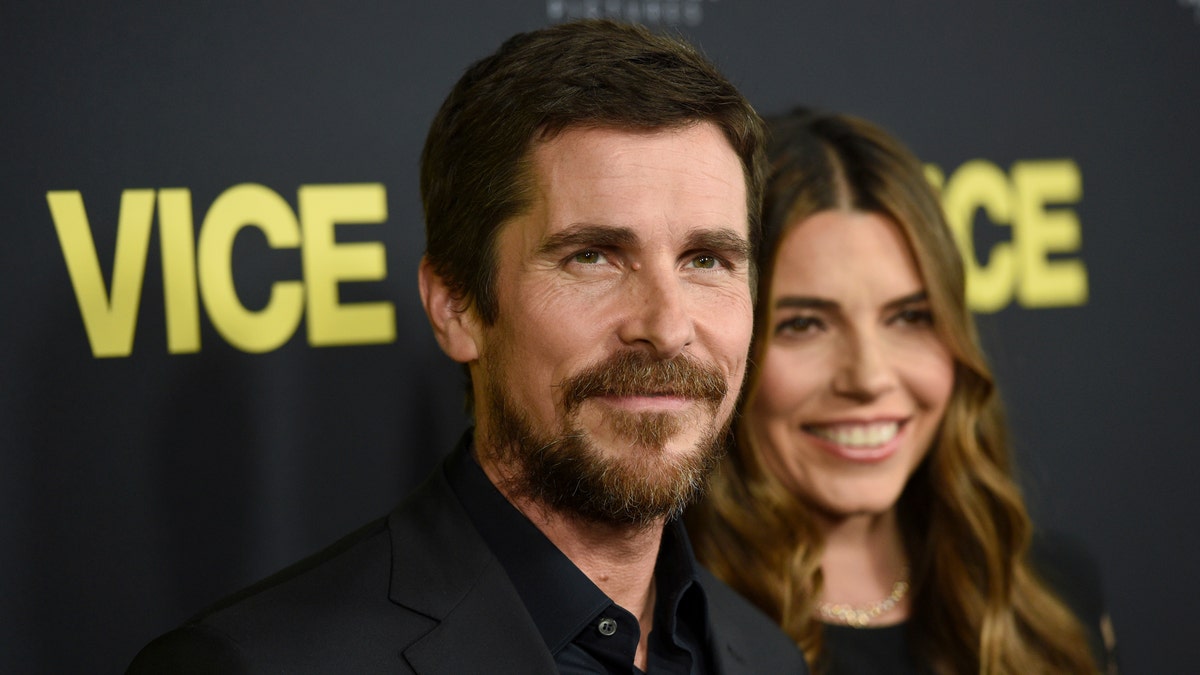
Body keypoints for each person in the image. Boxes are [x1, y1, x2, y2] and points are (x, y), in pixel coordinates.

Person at [126, 19, 808, 674]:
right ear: (456, 306)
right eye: (593, 256)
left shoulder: (767, 656)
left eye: (708, 260)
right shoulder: (253, 665)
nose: (666, 324)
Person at [686, 108, 1117, 674]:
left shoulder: (1051, 594)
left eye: (910, 317)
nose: (868, 378)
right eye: (804, 324)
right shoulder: (669, 632)